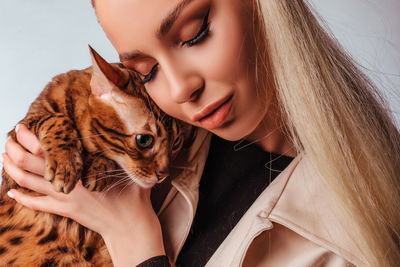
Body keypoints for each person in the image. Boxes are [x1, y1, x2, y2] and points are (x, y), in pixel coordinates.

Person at [2, 0, 400, 266]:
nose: (178, 89)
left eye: (195, 34)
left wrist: (133, 238)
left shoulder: (351, 236)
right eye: (146, 71)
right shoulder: (166, 132)